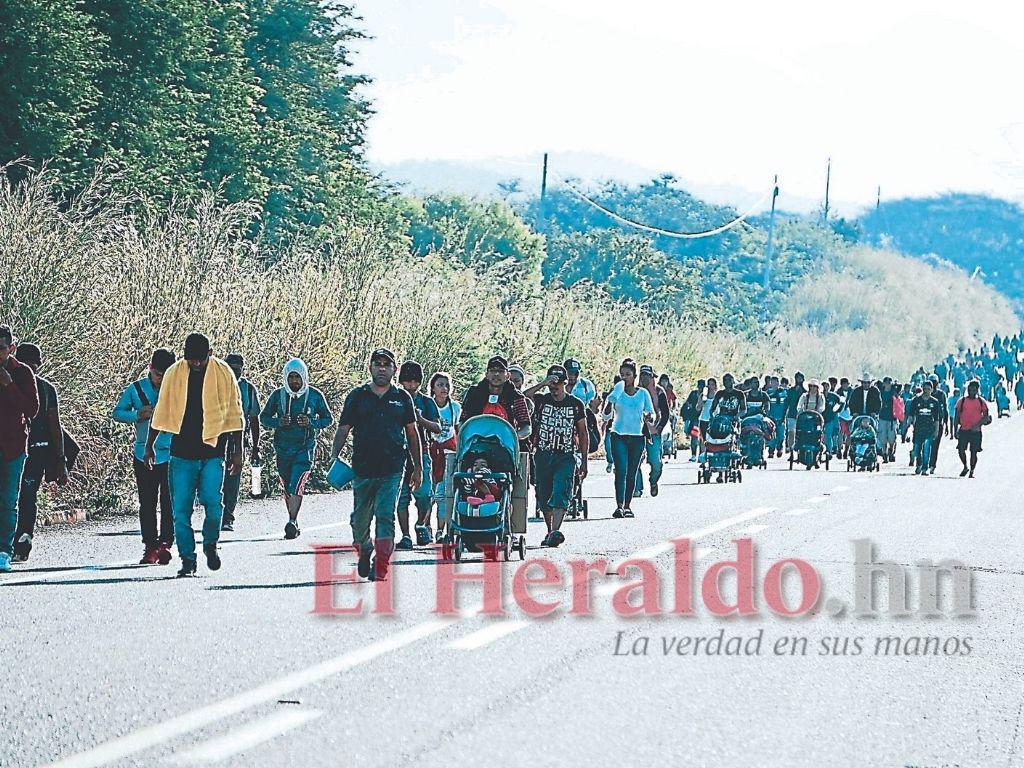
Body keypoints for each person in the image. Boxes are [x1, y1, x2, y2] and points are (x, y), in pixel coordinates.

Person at [147, 333, 244, 577]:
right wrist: (150, 445)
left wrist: (238, 451)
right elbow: (162, 411)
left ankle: (210, 544)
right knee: (180, 510)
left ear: (210, 353)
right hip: (181, 455)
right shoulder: (174, 374)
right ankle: (188, 560)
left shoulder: (223, 373)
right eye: (192, 360)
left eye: (201, 359)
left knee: (213, 503)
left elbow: (235, 415)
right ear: (184, 356)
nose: (196, 364)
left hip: (213, 452)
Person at [333, 348, 421, 582]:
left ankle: (381, 563)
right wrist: (334, 457)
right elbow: (343, 430)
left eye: (386, 364)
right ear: (370, 367)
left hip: (392, 468)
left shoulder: (402, 398)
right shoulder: (357, 396)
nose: (381, 368)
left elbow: (412, 434)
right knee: (359, 519)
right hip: (362, 468)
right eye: (377, 363)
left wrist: (418, 467)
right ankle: (364, 549)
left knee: (385, 514)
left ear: (394, 369)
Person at [112, 347, 176, 565]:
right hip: (142, 454)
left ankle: (166, 543)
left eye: (166, 375)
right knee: (147, 503)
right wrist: (138, 414)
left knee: (169, 502)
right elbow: (117, 413)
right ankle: (149, 546)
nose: (161, 380)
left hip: (171, 454)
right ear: (150, 369)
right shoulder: (136, 389)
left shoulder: (176, 390)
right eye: (158, 374)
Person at [259, 358, 333, 539]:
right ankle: (293, 520)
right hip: (282, 449)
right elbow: (264, 417)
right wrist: (278, 422)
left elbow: (328, 419)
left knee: (297, 483)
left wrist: (311, 423)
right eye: (290, 377)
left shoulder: (314, 395)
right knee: (287, 484)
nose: (294, 381)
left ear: (304, 377)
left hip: (305, 449)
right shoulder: (278, 396)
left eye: (297, 377)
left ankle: (291, 521)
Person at [9, 344, 68, 563]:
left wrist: (61, 461)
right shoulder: (10, 384)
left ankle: (23, 539)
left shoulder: (45, 389)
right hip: (15, 448)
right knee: (16, 496)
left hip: (37, 451)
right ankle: (13, 541)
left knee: (26, 495)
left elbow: (55, 425)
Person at [531, 364, 588, 547]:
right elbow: (523, 396)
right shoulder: (541, 401)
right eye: (551, 384)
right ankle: (550, 531)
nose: (554, 387)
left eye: (557, 383)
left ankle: (556, 530)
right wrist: (542, 383)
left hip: (565, 455)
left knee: (562, 490)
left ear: (565, 383)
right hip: (543, 453)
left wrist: (584, 461)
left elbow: (583, 432)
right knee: (543, 493)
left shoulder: (575, 404)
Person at [0, 326, 39, 573]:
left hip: (13, 447)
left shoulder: (22, 373)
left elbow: (33, 409)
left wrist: (9, 385)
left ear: (11, 348)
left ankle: (4, 550)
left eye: (1, 349)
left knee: (8, 501)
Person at [395, 361, 441, 549]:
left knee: (424, 495)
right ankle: (405, 535)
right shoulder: (395, 399)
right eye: (407, 382)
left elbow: (438, 427)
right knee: (401, 498)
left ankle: (421, 523)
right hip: (398, 454)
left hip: (421, 453)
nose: (411, 386)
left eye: (414, 382)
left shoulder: (426, 401)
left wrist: (420, 419)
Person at [603, 359, 655, 519]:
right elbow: (606, 415)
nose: (625, 378)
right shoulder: (617, 393)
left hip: (637, 437)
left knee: (632, 472)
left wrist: (648, 416)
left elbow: (651, 414)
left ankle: (627, 505)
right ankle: (619, 506)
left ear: (635, 376)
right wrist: (610, 401)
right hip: (618, 435)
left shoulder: (643, 393)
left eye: (628, 375)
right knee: (621, 470)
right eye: (622, 375)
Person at [221, 353, 261, 532]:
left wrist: (255, 447)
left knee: (233, 478)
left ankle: (228, 516)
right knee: (216, 478)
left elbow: (253, 419)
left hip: (239, 439)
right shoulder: (217, 386)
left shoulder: (248, 389)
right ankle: (216, 514)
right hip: (218, 437)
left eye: (238, 370)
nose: (235, 373)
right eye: (231, 369)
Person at [426, 372, 461, 543]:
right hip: (430, 450)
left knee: (443, 493)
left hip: (448, 451)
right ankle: (425, 526)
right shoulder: (428, 405)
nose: (444, 388)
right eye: (440, 385)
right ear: (432, 387)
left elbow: (458, 429)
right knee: (428, 493)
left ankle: (441, 530)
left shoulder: (455, 407)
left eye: (447, 385)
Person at [634, 364, 668, 497]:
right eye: (643, 375)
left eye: (648, 375)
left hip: (654, 433)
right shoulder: (635, 391)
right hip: (637, 432)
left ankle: (653, 481)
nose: (645, 378)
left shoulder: (659, 392)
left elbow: (665, 414)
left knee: (656, 463)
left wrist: (659, 429)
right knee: (635, 461)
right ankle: (637, 488)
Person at [953, 380, 990, 478]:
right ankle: (965, 466)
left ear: (977, 390)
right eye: (970, 389)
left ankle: (972, 470)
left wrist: (978, 425)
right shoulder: (962, 401)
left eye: (974, 390)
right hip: (964, 430)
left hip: (976, 432)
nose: (972, 391)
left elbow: (986, 416)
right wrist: (955, 430)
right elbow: (956, 416)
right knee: (961, 450)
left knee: (974, 452)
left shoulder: (981, 402)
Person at [908, 380, 942, 476]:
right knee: (917, 448)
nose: (926, 391)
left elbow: (936, 418)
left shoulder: (934, 402)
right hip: (918, 428)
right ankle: (918, 464)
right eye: (925, 388)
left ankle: (924, 467)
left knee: (927, 447)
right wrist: (908, 425)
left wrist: (936, 430)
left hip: (929, 429)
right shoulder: (916, 400)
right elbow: (911, 414)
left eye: (928, 389)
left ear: (932, 390)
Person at [782, 372, 806, 455]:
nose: (799, 380)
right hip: (792, 414)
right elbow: (786, 404)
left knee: (802, 433)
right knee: (791, 432)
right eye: (797, 378)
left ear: (803, 380)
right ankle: (791, 449)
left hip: (802, 416)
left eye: (800, 378)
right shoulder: (790, 391)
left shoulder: (805, 392)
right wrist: (783, 416)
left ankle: (802, 449)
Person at [680, 380, 704, 461]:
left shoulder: (706, 395)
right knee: (694, 436)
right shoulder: (693, 394)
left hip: (703, 417)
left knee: (702, 438)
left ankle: (701, 455)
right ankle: (694, 455)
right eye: (700, 387)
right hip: (694, 418)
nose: (701, 388)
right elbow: (687, 403)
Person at [876, 377, 898, 462]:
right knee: (883, 438)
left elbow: (899, 388)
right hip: (882, 418)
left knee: (892, 438)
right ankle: (884, 454)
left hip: (892, 419)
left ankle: (891, 451)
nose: (888, 384)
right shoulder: (880, 393)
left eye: (889, 382)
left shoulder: (894, 392)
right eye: (886, 382)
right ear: (883, 383)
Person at [766, 375, 787, 458]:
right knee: (772, 435)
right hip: (771, 417)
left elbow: (786, 405)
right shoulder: (768, 393)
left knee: (781, 435)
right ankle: (771, 451)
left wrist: (784, 416)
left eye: (776, 382)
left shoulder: (784, 392)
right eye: (773, 382)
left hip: (781, 417)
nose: (775, 384)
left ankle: (780, 447)